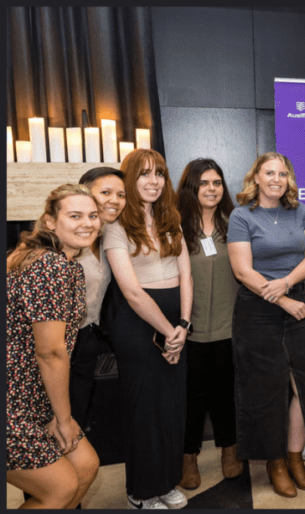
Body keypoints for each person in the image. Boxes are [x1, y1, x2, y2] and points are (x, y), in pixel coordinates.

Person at [227, 152, 305, 499]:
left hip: (298, 302)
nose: (276, 179)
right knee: (266, 390)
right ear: (256, 177)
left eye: (282, 174)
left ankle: (296, 456)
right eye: (269, 173)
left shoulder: (299, 211)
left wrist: (286, 284)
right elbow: (242, 271)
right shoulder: (241, 216)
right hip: (258, 310)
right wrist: (281, 297)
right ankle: (275, 462)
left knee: (304, 385)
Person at [103, 148, 192, 509]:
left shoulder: (172, 219)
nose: (153, 181)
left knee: (172, 408)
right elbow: (131, 291)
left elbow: (186, 274)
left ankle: (166, 482)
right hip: (138, 327)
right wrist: (168, 332)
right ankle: (140, 491)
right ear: (130, 178)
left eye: (159, 174)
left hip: (177, 326)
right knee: (144, 411)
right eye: (144, 174)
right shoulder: (115, 224)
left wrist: (184, 325)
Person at [7, 184, 101, 508]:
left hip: (34, 394)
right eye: (74, 215)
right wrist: (64, 419)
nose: (86, 223)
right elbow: (51, 351)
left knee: (86, 465)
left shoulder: (67, 263)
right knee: (59, 489)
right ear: (50, 221)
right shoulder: (50, 266)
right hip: (12, 401)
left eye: (92, 215)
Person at [176, 158, 241, 489]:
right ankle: (189, 457)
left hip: (229, 328)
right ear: (191, 188)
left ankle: (230, 450)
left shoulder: (234, 223)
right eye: (204, 183)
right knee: (193, 399)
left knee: (226, 394)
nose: (212, 189)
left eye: (217, 182)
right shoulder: (175, 227)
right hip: (190, 330)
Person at [69, 167, 126, 430]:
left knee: (76, 418)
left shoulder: (107, 237)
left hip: (87, 340)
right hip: (57, 344)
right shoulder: (65, 241)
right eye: (106, 192)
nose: (115, 200)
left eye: (121, 194)